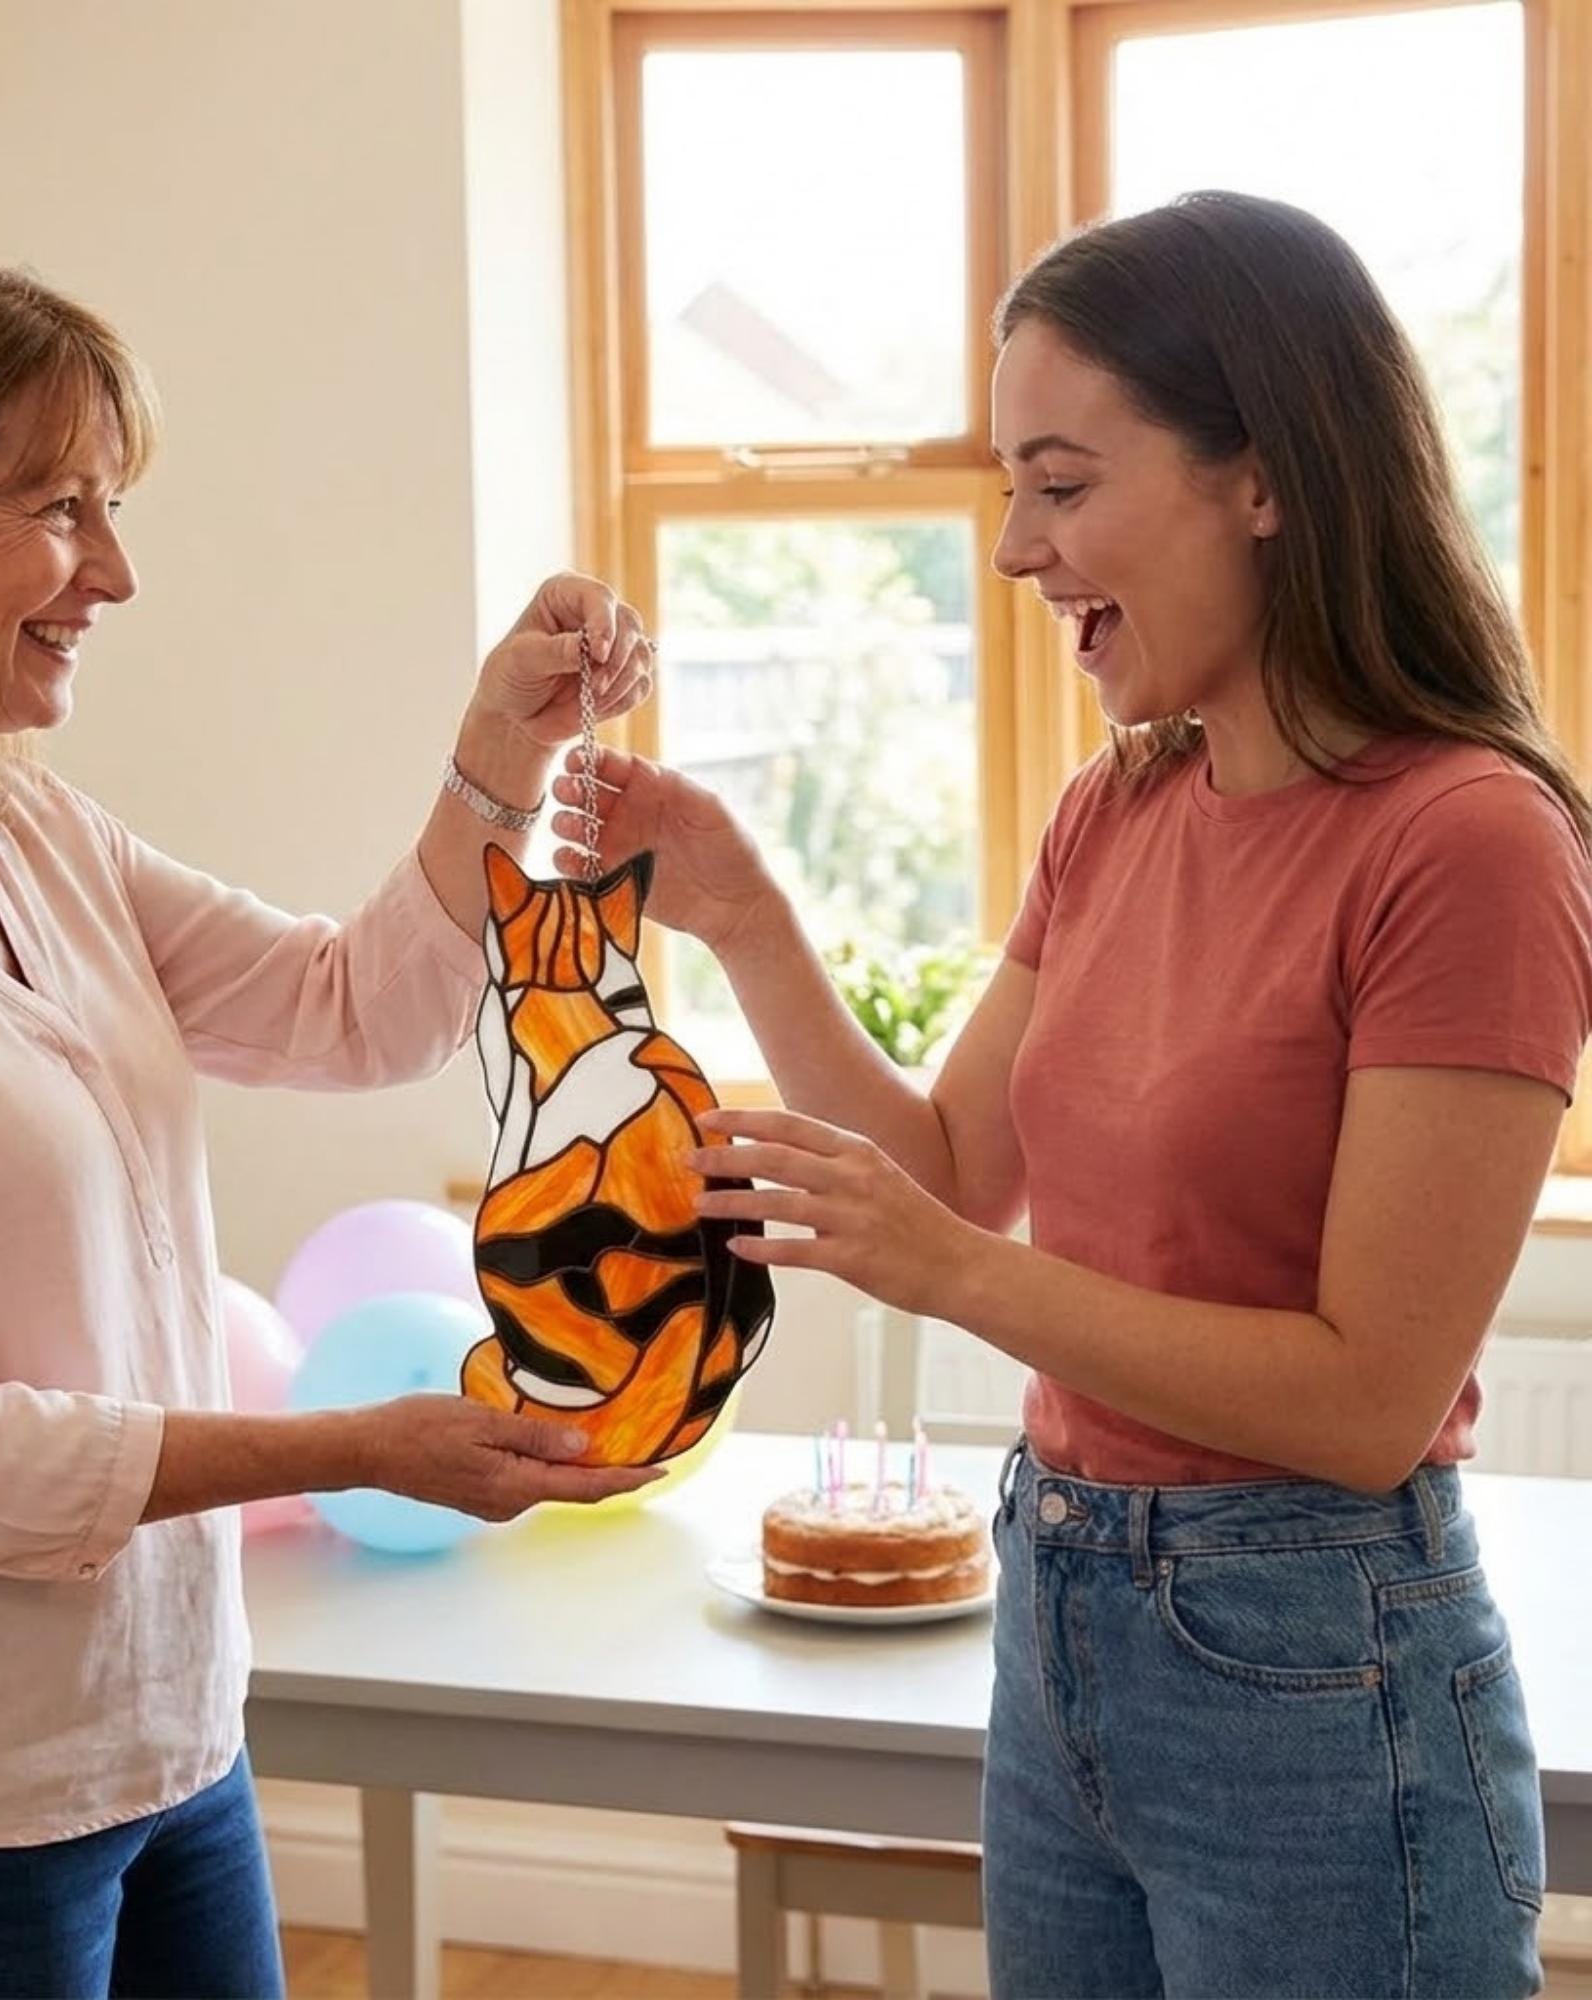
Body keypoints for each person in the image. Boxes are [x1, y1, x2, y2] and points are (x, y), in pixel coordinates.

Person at [0, 240, 661, 2000]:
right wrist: (353, 1448)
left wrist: (501, 755)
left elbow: (350, 1008)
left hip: (166, 1740)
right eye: (61, 509)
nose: (118, 572)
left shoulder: (24, 832)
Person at [556, 191, 1592, 1997]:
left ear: (1259, 477)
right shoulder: (1116, 807)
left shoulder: (1472, 842)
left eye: (1063, 482)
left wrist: (951, 1279)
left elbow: (1366, 1398)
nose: (1019, 549)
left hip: (1315, 1656)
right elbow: (954, 1175)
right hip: (1063, 1617)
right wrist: (745, 917)